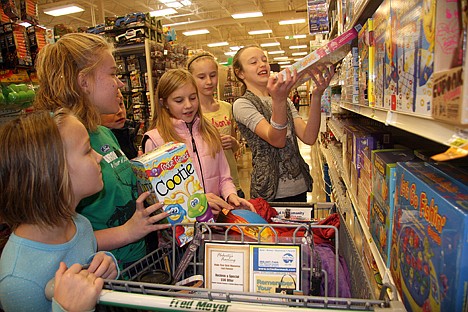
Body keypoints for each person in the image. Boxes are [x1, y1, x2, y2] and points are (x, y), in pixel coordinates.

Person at [33, 33, 170, 270]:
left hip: (138, 262)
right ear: (84, 81)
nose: (120, 83)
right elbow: (52, 238)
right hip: (98, 273)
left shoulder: (101, 131)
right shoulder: (55, 143)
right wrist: (127, 232)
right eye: (113, 74)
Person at [0, 110, 118, 312]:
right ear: (53, 172)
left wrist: (105, 264)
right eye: (88, 150)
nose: (99, 157)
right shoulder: (17, 281)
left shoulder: (80, 225)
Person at [142, 69, 254, 215]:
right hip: (180, 230)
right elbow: (157, 199)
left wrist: (231, 195)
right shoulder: (155, 141)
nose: (188, 105)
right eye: (179, 100)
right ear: (164, 103)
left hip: (215, 221)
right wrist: (199, 202)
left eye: (193, 98)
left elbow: (224, 177)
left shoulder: (209, 132)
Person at [232, 45, 334, 202]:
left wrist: (317, 96)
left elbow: (309, 137)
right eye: (253, 62)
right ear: (240, 73)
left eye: (264, 60)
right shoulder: (242, 104)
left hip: (299, 186)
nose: (262, 64)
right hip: (270, 193)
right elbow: (276, 140)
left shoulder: (285, 100)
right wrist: (278, 99)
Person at [186, 51, 245, 198]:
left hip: (231, 184)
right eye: (201, 77)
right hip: (206, 189)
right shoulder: (190, 114)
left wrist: (233, 143)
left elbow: (234, 148)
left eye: (213, 75)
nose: (209, 81)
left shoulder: (227, 107)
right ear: (191, 79)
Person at [100, 90, 141, 159]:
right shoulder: (95, 145)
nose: (120, 111)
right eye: (110, 107)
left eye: (120, 104)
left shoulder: (127, 133)